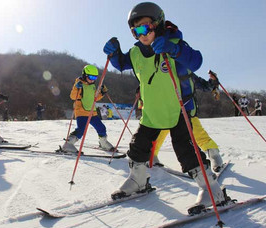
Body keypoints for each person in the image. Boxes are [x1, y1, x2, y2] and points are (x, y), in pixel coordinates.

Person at [103, 2, 230, 213]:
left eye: (145, 28)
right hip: (151, 114)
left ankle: (212, 191)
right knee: (137, 148)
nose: (141, 34)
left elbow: (196, 61)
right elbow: (123, 63)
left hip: (177, 112)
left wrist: (174, 49)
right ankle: (138, 180)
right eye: (135, 31)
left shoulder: (173, 45)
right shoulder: (135, 53)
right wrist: (113, 54)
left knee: (187, 153)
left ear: (158, 24)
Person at [152, 72, 224, 172]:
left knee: (199, 134)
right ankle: (151, 156)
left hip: (187, 111)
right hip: (168, 111)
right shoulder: (161, 71)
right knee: (159, 133)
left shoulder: (185, 71)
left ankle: (214, 154)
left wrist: (213, 81)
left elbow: (204, 86)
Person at [62, 65, 115, 152]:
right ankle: (68, 144)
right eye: (91, 77)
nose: (92, 79)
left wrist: (102, 93)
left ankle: (103, 143)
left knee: (101, 128)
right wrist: (76, 87)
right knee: (81, 130)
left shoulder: (92, 86)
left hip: (92, 112)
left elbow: (95, 98)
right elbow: (73, 96)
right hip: (81, 111)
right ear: (84, 75)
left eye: (95, 77)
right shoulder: (79, 83)